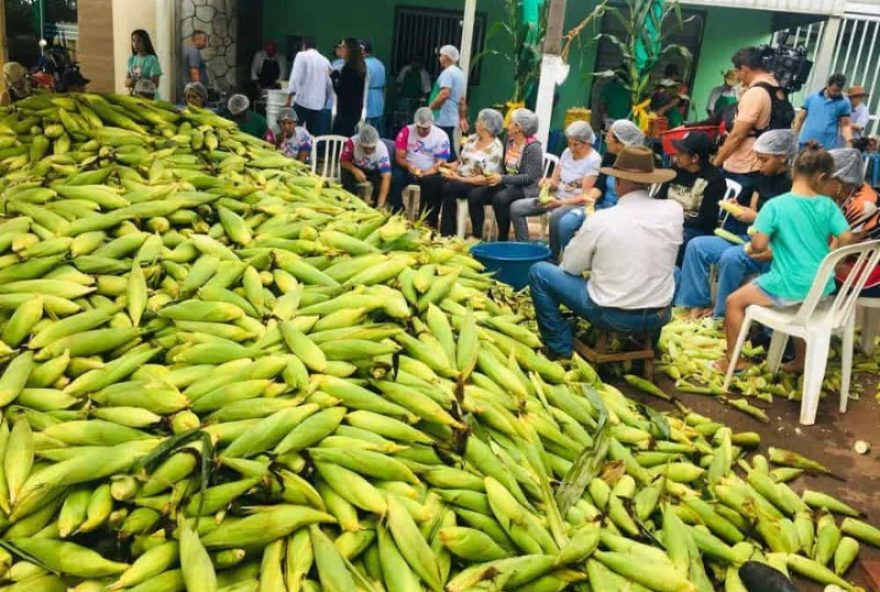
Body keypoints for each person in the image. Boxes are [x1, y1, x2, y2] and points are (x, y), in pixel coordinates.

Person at [528, 145, 680, 359]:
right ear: (650, 183)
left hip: (611, 314)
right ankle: (644, 343)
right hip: (659, 314)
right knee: (673, 271)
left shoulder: (602, 219)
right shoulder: (674, 211)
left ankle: (560, 348)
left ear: (617, 183)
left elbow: (571, 267)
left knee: (540, 272)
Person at [721, 147, 853, 374]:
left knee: (734, 301)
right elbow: (846, 237)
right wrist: (833, 258)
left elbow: (760, 245)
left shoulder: (774, 206)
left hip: (789, 284)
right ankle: (801, 360)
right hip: (820, 286)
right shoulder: (828, 205)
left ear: (793, 172)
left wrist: (752, 249)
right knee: (802, 304)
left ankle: (733, 361)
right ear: (822, 177)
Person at [677, 129, 797, 319]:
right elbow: (754, 209)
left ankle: (723, 317)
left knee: (731, 258)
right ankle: (696, 306)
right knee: (697, 245)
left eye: (764, 160)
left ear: (782, 158)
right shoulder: (762, 177)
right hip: (750, 237)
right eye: (758, 158)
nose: (759, 164)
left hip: (773, 246)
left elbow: (788, 226)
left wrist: (755, 217)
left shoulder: (794, 186)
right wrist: (739, 209)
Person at [554, 120, 646, 256]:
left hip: (621, 212)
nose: (606, 139)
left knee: (594, 230)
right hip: (601, 206)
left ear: (620, 144)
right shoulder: (609, 157)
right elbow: (599, 186)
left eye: (608, 137)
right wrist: (589, 199)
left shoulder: (638, 164)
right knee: (566, 223)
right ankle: (569, 257)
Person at [713, 46, 791, 206]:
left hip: (743, 166)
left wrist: (716, 163)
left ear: (745, 68)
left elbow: (737, 135)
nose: (739, 77)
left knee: (731, 216)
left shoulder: (756, 93)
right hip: (760, 163)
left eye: (738, 72)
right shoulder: (775, 87)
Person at [510, 121, 601, 248]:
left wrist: (560, 203)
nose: (572, 148)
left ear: (587, 142)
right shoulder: (566, 153)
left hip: (574, 204)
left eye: (576, 144)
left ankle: (553, 255)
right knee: (517, 207)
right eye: (569, 143)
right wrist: (546, 183)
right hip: (556, 198)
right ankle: (524, 246)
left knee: (556, 217)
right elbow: (555, 182)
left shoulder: (594, 160)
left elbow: (584, 198)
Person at [468, 108, 543, 241]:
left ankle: (502, 238)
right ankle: (477, 235)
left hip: (525, 189)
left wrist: (502, 178)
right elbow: (504, 166)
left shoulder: (533, 147)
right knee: (475, 195)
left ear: (518, 127)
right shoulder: (509, 142)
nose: (506, 126)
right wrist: (487, 173)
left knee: (500, 199)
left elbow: (530, 177)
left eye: (510, 122)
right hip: (508, 184)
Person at [656, 131, 725, 262]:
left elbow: (706, 221)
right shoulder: (675, 170)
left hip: (694, 230)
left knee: (669, 240)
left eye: (681, 153)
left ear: (695, 158)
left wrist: (673, 224)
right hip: (669, 222)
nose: (676, 155)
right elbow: (659, 198)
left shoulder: (714, 180)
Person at [438, 108, 505, 237]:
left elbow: (485, 179)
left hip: (479, 183)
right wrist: (447, 165)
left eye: (478, 121)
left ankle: (448, 233)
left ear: (485, 125)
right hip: (461, 177)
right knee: (435, 181)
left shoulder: (495, 149)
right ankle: (437, 225)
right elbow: (461, 161)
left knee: (449, 188)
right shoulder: (472, 139)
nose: (475, 123)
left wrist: (457, 178)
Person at [391, 107, 450, 219]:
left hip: (430, 172)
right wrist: (408, 166)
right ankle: (398, 210)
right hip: (408, 168)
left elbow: (441, 163)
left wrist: (426, 173)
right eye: (420, 128)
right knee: (394, 178)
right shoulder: (406, 132)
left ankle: (426, 218)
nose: (422, 131)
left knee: (433, 185)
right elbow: (400, 157)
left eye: (426, 128)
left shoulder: (441, 136)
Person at [285, 37, 332, 134]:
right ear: (316, 47)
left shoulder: (301, 56)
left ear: (304, 46)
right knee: (313, 136)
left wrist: (289, 98)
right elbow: (328, 86)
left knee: (292, 132)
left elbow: (295, 77)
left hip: (302, 102)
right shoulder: (325, 61)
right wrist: (324, 102)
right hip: (318, 105)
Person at [794, 73, 853, 150]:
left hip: (826, 146)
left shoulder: (844, 102)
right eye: (834, 90)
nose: (836, 93)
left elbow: (845, 125)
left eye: (839, 90)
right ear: (828, 85)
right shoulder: (812, 98)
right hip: (806, 143)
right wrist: (793, 136)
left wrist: (849, 142)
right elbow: (800, 119)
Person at [341, 124, 393, 208]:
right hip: (357, 167)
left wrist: (381, 204)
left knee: (381, 182)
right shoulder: (353, 142)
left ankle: (376, 206)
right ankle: (349, 203)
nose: (369, 150)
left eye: (372, 148)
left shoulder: (381, 148)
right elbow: (343, 162)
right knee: (346, 173)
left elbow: (386, 176)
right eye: (365, 148)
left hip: (373, 170)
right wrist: (355, 170)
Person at [428, 45, 468, 153]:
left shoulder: (448, 73)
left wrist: (430, 108)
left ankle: (451, 164)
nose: (440, 58)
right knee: (447, 142)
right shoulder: (460, 73)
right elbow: (462, 99)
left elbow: (444, 94)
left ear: (447, 57)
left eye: (441, 55)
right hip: (452, 115)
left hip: (443, 116)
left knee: (443, 145)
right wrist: (462, 117)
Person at [331, 38, 367, 138]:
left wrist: (333, 78)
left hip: (345, 112)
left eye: (343, 47)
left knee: (338, 140)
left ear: (349, 49)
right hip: (355, 110)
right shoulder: (359, 66)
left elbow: (340, 91)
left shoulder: (349, 68)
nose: (340, 49)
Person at [125, 30, 162, 97]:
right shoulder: (132, 59)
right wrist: (131, 82)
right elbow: (127, 82)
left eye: (139, 41)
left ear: (146, 42)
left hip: (150, 97)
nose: (136, 43)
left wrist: (139, 83)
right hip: (136, 96)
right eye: (133, 40)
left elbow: (155, 84)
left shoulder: (152, 59)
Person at [361, 39, 386, 137]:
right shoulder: (380, 63)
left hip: (368, 100)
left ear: (362, 50)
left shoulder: (363, 64)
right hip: (379, 100)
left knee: (366, 134)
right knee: (378, 133)